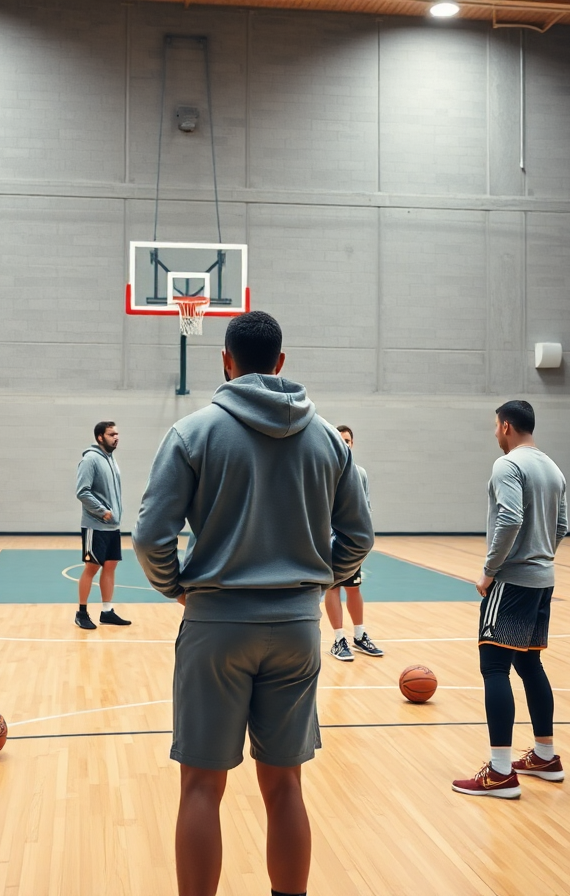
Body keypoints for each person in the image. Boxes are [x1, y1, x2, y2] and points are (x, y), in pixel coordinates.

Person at [133, 311, 374, 896]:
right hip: (297, 629)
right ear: (281, 362)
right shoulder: (328, 439)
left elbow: (148, 537)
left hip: (216, 627)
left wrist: (175, 586)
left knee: (201, 787)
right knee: (285, 786)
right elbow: (360, 536)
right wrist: (320, 582)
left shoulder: (192, 433)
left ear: (226, 361)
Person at [452, 400, 567, 800]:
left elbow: (511, 518)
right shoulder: (553, 468)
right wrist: (541, 557)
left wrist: (490, 569)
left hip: (513, 580)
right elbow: (562, 526)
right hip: (543, 581)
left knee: (494, 666)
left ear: (505, 426)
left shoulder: (508, 465)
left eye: (495, 426)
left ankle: (500, 772)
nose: (494, 433)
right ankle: (545, 757)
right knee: (529, 663)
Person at [325, 425, 383, 661]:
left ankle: (359, 635)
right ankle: (338, 639)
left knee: (354, 587)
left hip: (350, 541)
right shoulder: (325, 470)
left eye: (347, 440)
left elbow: (365, 508)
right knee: (332, 588)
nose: (344, 444)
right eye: (340, 440)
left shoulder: (360, 473)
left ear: (352, 443)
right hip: (328, 541)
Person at [75, 421, 131, 629]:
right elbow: (82, 491)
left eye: (117, 434)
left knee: (110, 565)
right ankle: (81, 613)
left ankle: (107, 611)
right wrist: (102, 511)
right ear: (100, 437)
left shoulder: (111, 459)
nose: (116, 437)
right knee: (92, 567)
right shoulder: (90, 459)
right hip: (95, 525)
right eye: (111, 434)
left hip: (112, 526)